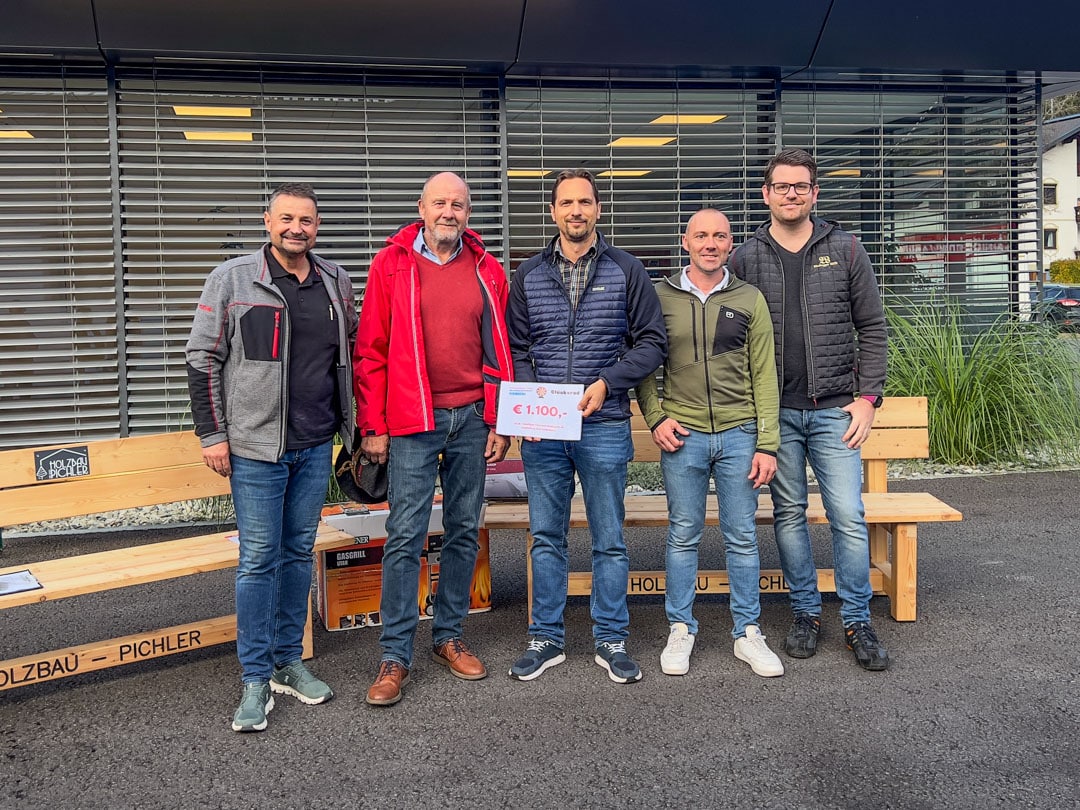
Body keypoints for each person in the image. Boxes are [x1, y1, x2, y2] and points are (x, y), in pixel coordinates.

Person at [186, 182, 358, 732]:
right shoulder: (233, 279)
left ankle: (288, 661)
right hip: (256, 449)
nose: (296, 229)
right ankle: (255, 677)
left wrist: (355, 426)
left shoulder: (335, 281)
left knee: (297, 553)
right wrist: (212, 434)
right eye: (286, 218)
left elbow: (350, 356)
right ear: (268, 221)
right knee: (259, 560)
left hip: (315, 444)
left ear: (317, 226)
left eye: (306, 220)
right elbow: (202, 357)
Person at [353, 171, 514, 706]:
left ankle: (449, 636)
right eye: (440, 203)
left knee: (465, 528)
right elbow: (370, 351)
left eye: (459, 205)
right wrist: (373, 426)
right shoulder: (390, 263)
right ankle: (394, 655)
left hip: (472, 418)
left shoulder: (488, 269)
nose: (449, 212)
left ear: (468, 213)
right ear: (421, 208)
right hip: (412, 420)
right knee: (405, 534)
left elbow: (501, 349)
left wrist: (499, 420)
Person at [729, 148, 890, 671]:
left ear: (815, 193)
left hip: (835, 411)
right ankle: (805, 613)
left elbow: (873, 327)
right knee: (789, 514)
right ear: (766, 194)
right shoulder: (746, 257)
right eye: (782, 186)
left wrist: (868, 399)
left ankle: (857, 620)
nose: (791, 194)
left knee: (847, 515)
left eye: (801, 186)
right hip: (775, 413)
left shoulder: (846, 248)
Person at [506, 169, 666, 684]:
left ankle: (611, 637)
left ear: (598, 208)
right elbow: (517, 347)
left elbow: (652, 343)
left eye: (585, 202)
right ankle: (546, 638)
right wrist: (528, 405)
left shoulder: (627, 269)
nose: (576, 211)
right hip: (545, 427)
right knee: (546, 536)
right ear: (552, 210)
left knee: (609, 538)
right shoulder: (529, 274)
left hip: (604, 422)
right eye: (566, 202)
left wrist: (607, 382)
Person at [636, 208, 784, 678]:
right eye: (701, 235)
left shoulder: (749, 298)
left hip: (740, 434)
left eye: (719, 236)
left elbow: (765, 374)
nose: (710, 244)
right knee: (684, 534)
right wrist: (656, 417)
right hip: (684, 436)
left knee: (742, 536)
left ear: (729, 244)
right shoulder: (659, 296)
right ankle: (681, 627)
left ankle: (747, 632)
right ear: (686, 242)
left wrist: (768, 443)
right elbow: (643, 363)